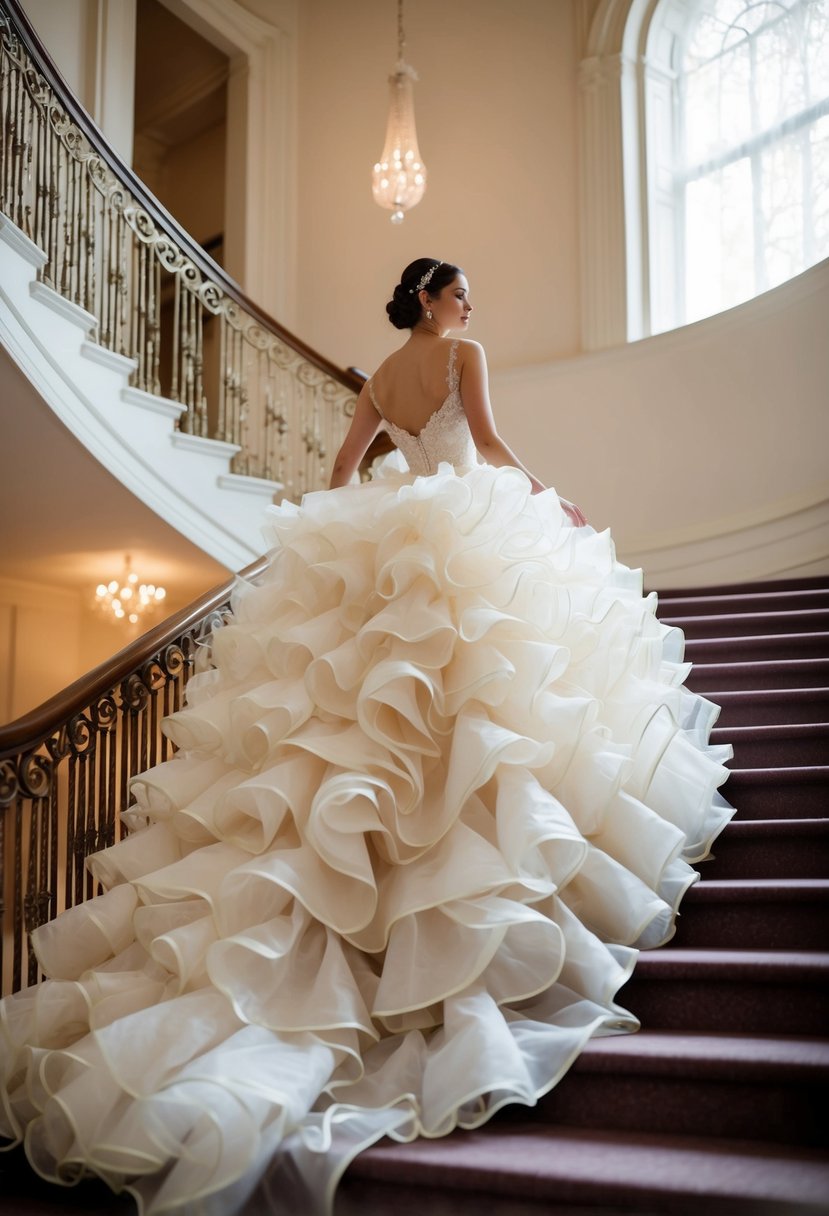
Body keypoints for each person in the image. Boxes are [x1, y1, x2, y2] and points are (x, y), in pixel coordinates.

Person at [0, 258, 734, 1216]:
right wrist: (557, 500)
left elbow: (344, 472)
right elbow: (491, 442)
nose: (473, 304)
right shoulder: (462, 353)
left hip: (397, 533)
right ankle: (437, 925)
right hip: (462, 531)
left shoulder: (381, 377)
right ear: (432, 300)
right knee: (468, 714)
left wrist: (367, 516)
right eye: (461, 290)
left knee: (368, 734)